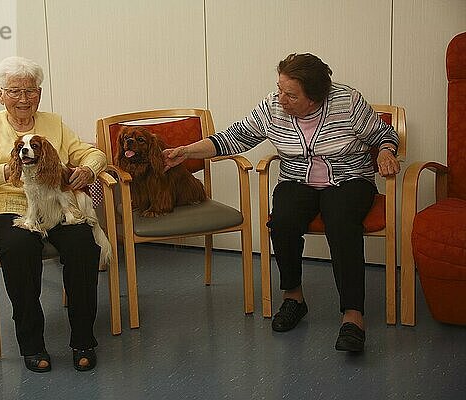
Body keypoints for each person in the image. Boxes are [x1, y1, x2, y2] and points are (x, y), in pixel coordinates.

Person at [163, 53, 400, 352]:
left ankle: (352, 315)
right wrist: (187, 151)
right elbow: (234, 137)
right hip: (297, 179)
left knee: (341, 223)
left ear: (315, 97)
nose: (281, 99)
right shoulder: (274, 107)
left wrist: (384, 152)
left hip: (348, 179)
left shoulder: (347, 102)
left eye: (291, 95)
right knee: (282, 221)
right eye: (279, 89)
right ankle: (293, 298)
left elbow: (384, 134)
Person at [0, 56, 106, 372]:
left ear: (39, 93)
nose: (24, 99)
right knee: (19, 248)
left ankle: (83, 340)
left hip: (55, 205)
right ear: (1, 95)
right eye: (14, 91)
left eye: (30, 91)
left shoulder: (53, 122)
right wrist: (12, 169)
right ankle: (32, 344)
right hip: (4, 206)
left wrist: (87, 169)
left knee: (84, 245)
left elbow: (93, 153)